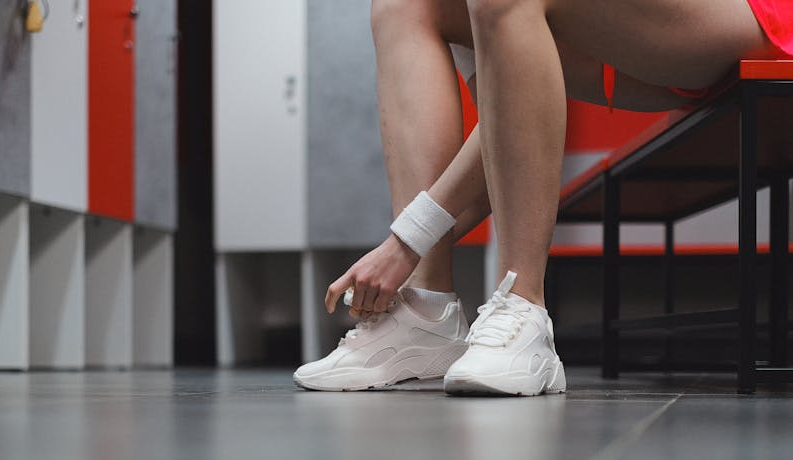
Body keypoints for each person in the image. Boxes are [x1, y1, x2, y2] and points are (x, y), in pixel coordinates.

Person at [294, 0, 793, 395]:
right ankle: (426, 312)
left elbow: (509, 128)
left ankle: (523, 306)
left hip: (755, 16)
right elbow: (508, 123)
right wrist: (415, 243)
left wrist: (408, 239)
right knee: (404, 4)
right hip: (633, 28)